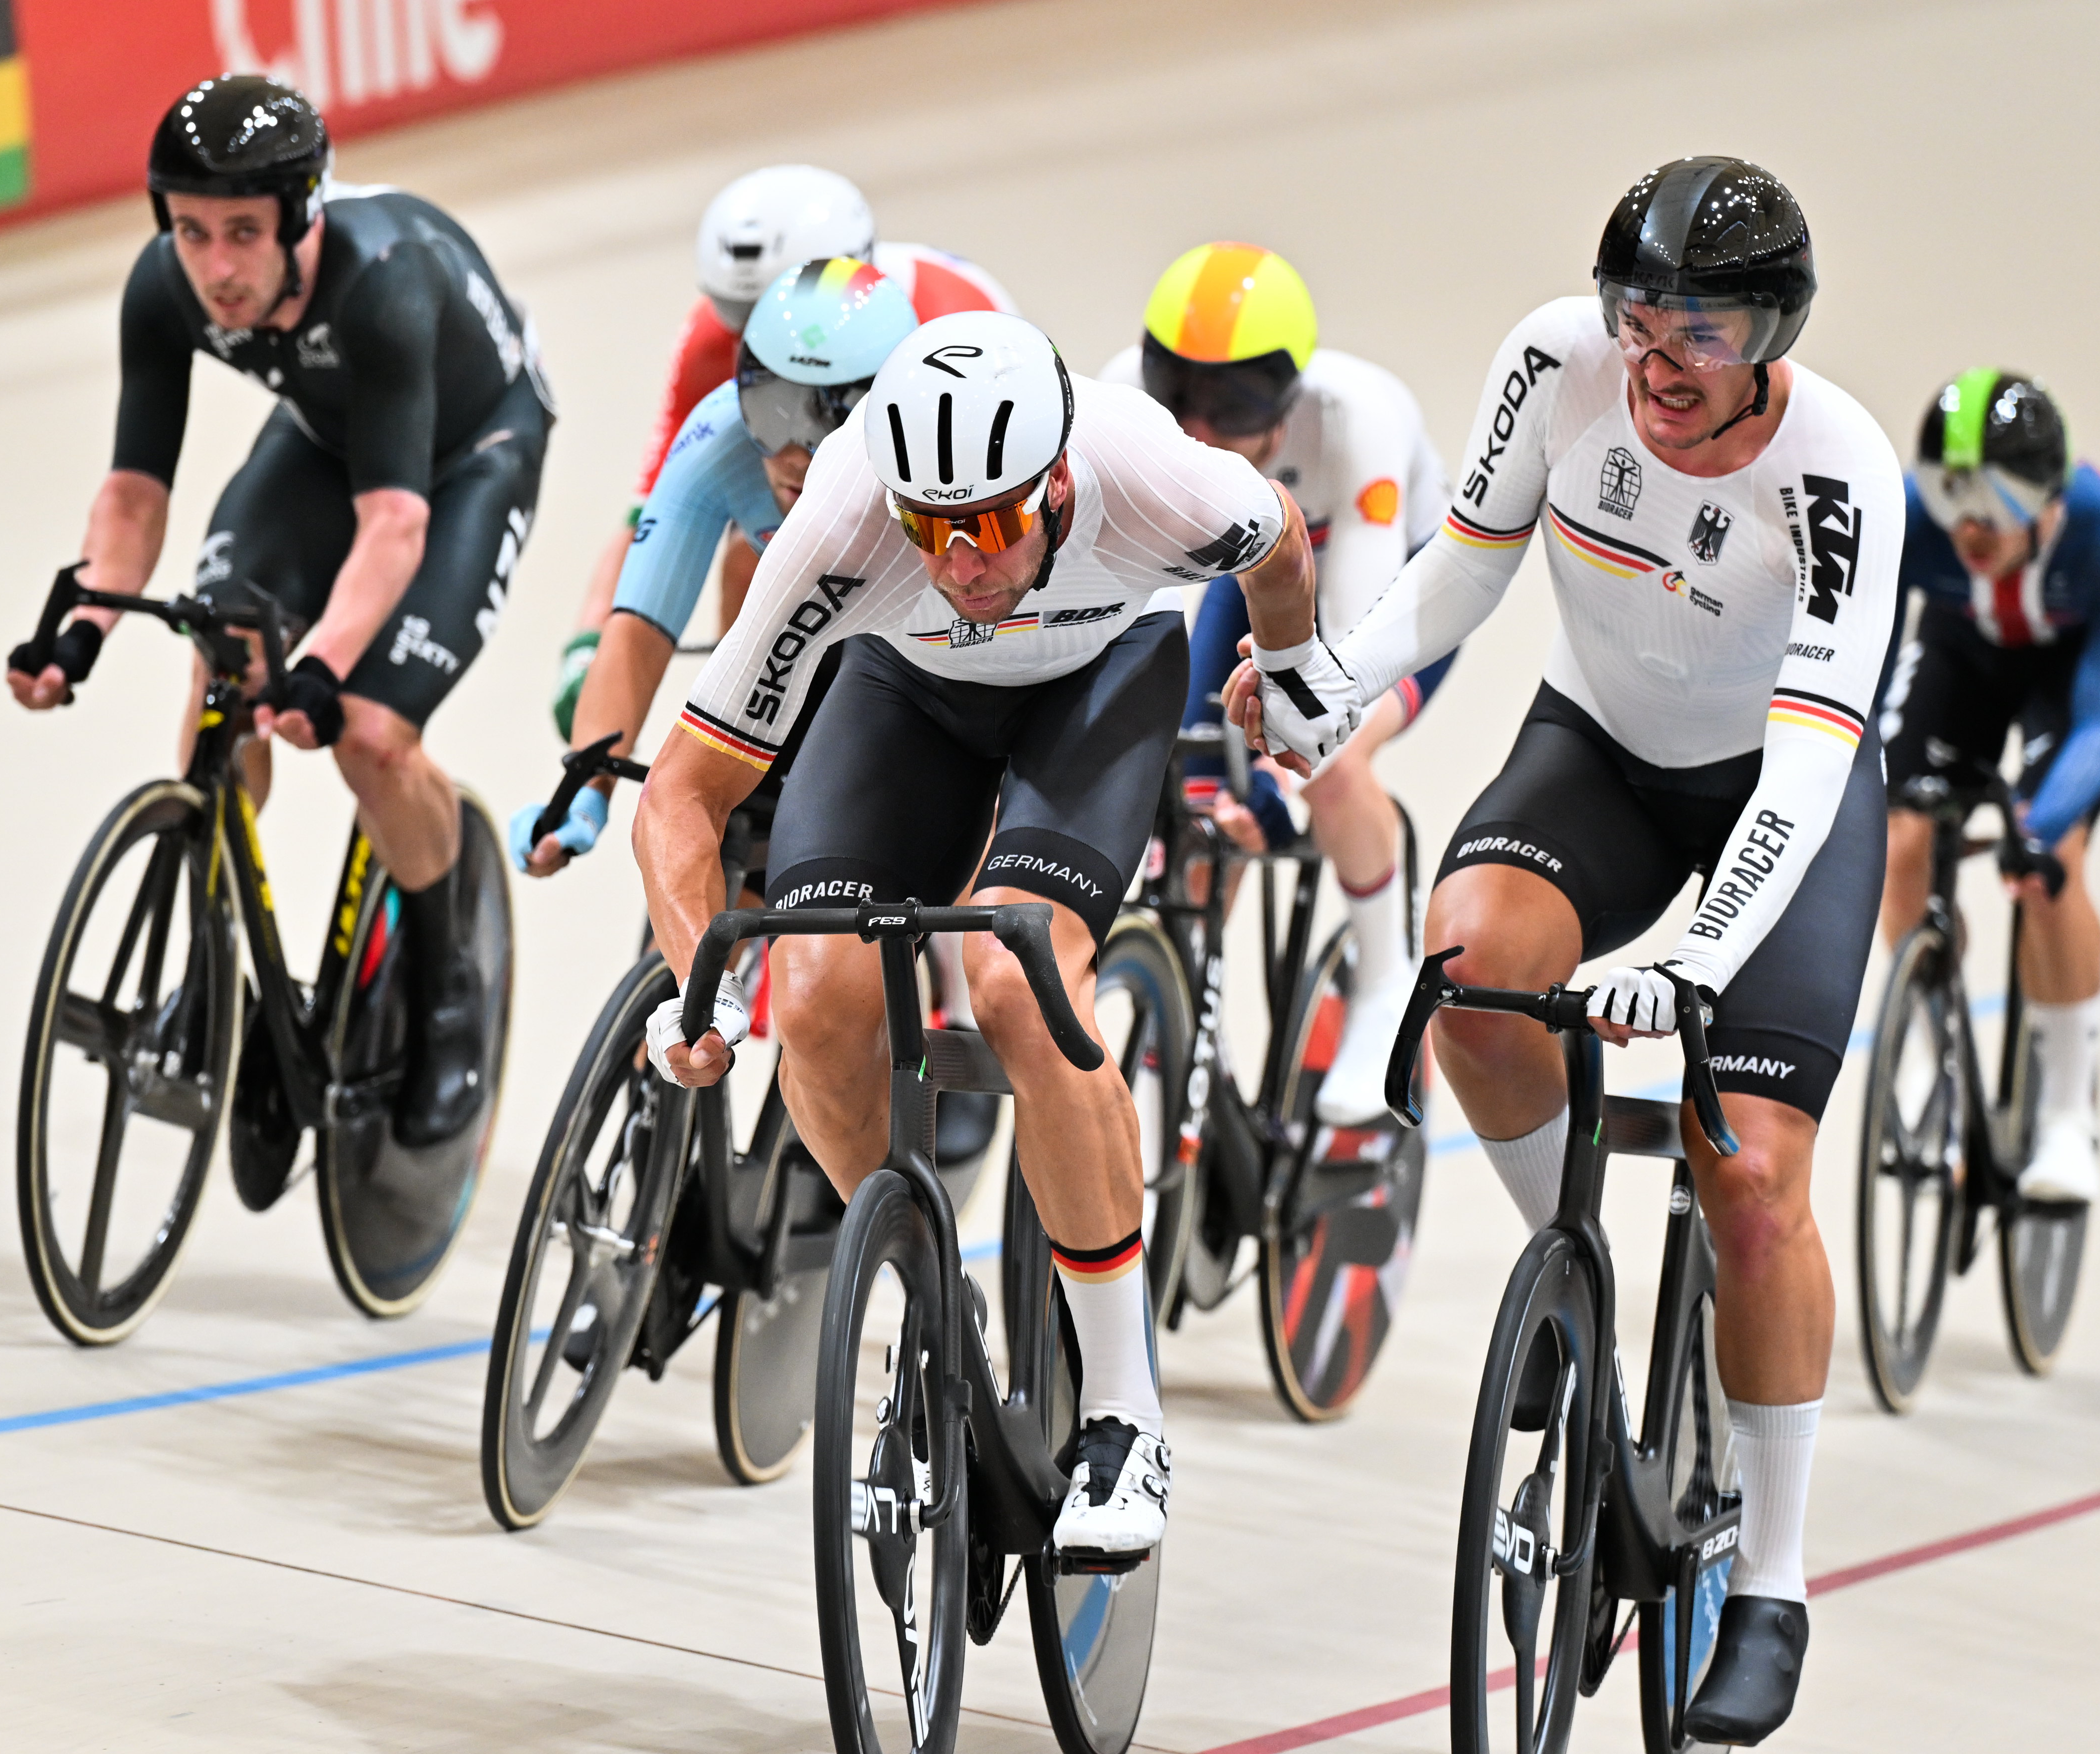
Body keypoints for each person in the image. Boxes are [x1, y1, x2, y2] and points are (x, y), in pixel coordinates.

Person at [1226, 158, 1902, 1745]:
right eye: (1636, 318)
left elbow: (1804, 769)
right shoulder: (1555, 361)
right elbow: (1460, 570)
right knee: (1466, 977)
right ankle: (1576, 1305)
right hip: (1597, 748)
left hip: (1778, 797)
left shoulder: (1839, 474)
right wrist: (1328, 679)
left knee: (1746, 1178)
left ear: (1773, 333)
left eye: (1702, 332)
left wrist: (1697, 958)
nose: (1657, 361)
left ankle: (1774, 1582)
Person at [632, 311, 1315, 1556]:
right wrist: (703, 991)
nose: (963, 562)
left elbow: (1276, 535)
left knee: (1015, 975)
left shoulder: (1148, 475)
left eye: (992, 525)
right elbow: (681, 796)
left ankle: (1122, 1411)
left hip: (1101, 680)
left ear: (1057, 482)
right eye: (931, 529)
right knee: (822, 986)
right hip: (909, 694)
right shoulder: (842, 526)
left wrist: (1294, 669)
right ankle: (929, 1308)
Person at [3, 75, 552, 1176]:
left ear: (302, 216)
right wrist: (84, 631)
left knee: (366, 733)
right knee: (222, 662)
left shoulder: (384, 284)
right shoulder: (166, 289)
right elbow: (132, 495)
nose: (216, 266)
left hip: (467, 455)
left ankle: (447, 989)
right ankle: (212, 961)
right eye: (192, 231)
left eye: (244, 233)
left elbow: (394, 526)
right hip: (328, 436)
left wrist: (323, 668)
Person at [1100, 242, 1449, 1124]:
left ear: (1290, 395)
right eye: (1179, 396)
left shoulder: (1361, 413)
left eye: (1235, 404)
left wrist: (1281, 771)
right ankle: (1181, 1014)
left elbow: (1356, 645)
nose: (1202, 429)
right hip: (1255, 563)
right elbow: (1122, 603)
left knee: (1328, 768)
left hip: (1394, 583)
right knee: (1200, 800)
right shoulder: (1121, 400)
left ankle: (1384, 983)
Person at [549, 166, 1015, 736]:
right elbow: (656, 510)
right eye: (736, 316)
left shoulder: (952, 324)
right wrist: (590, 641)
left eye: (774, 306)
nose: (761, 339)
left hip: (935, 482)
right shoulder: (716, 342)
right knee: (748, 556)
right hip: (812, 494)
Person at [508, 256, 919, 872]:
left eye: (824, 421)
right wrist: (586, 788)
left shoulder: (926, 455)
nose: (787, 453)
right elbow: (639, 629)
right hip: (800, 634)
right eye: (768, 412)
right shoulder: (717, 439)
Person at [1879, 370, 2100, 1203]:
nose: (1970, 522)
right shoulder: (1905, 520)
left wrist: (2040, 828)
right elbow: (1866, 659)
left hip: (2065, 678)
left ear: (2049, 497)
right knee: (1900, 842)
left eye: (1999, 499)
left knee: (2050, 867)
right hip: (1964, 651)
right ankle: (1939, 1057)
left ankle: (2070, 1116)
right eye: (1951, 493)